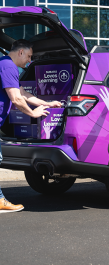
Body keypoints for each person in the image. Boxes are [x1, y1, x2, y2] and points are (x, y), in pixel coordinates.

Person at [0, 39, 61, 213]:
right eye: (28, 56)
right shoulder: (8, 66)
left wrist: (48, 104)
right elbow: (16, 98)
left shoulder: (5, 64)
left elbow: (23, 93)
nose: (29, 61)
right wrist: (33, 114)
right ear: (20, 52)